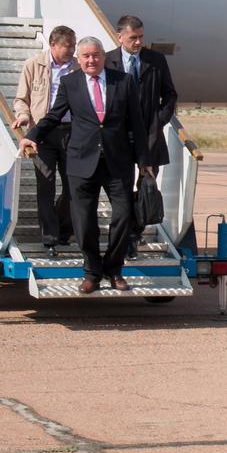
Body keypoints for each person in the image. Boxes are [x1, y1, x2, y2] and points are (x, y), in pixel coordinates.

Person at [18, 37, 152, 293]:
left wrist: (144, 160)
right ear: (78, 59)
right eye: (86, 56)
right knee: (84, 223)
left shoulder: (123, 81)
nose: (91, 60)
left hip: (117, 162)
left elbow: (136, 122)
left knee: (124, 217)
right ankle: (92, 272)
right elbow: (54, 116)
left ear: (104, 56)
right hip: (81, 162)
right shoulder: (70, 83)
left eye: (96, 55)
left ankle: (114, 270)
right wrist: (32, 135)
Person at [105, 15, 177, 258]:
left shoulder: (155, 60)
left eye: (141, 37)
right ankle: (125, 238)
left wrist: (159, 120)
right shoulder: (108, 61)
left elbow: (170, 94)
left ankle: (134, 235)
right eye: (133, 38)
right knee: (122, 190)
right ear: (120, 37)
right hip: (119, 137)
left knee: (146, 188)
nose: (138, 42)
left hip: (149, 135)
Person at [11, 25, 77, 255]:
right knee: (45, 185)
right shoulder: (33, 65)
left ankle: (64, 230)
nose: (72, 50)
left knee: (73, 185)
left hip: (72, 132)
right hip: (42, 133)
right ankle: (50, 239)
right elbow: (21, 99)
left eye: (74, 45)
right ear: (53, 45)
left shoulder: (78, 67)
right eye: (67, 46)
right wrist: (23, 115)